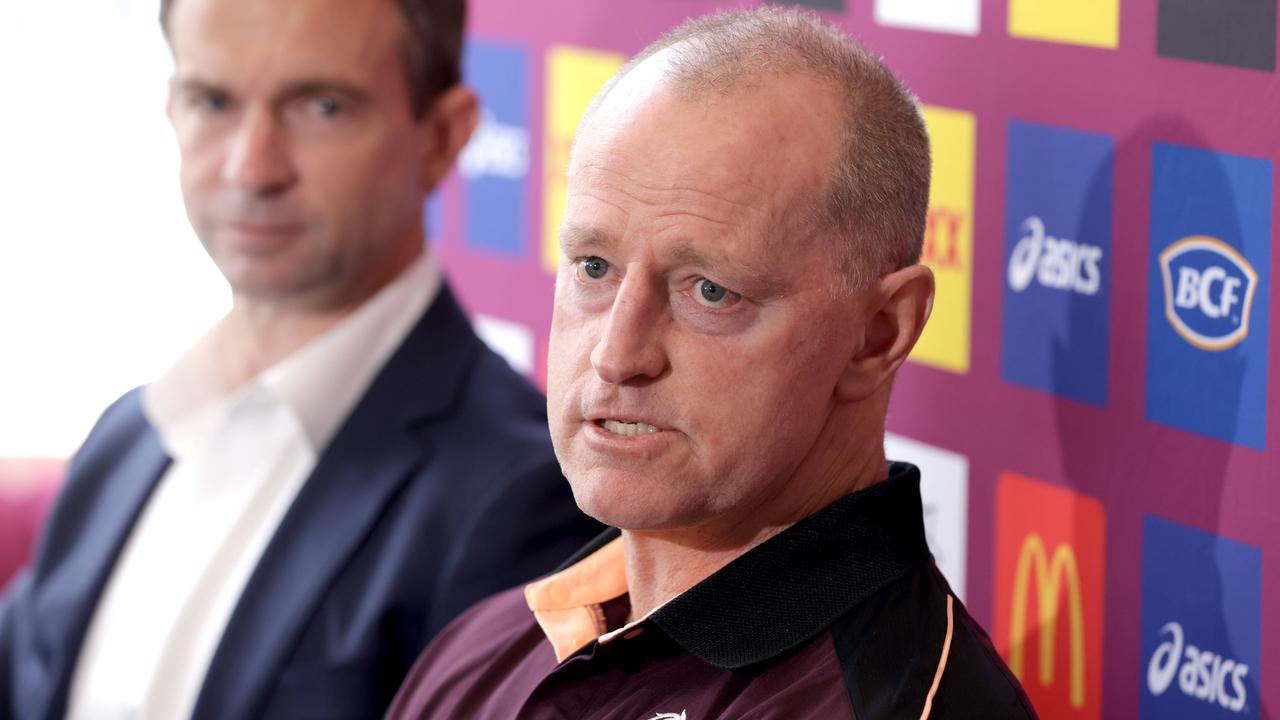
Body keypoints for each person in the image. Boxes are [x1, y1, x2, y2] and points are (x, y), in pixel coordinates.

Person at [385, 8, 1039, 719]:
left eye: (710, 291)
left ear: (878, 334)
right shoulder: (481, 651)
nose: (616, 355)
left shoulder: (895, 704)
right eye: (594, 267)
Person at [0, 0, 602, 717]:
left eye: (321, 107)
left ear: (444, 136)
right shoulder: (125, 435)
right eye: (213, 100)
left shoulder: (524, 497)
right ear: (172, 110)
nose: (251, 167)